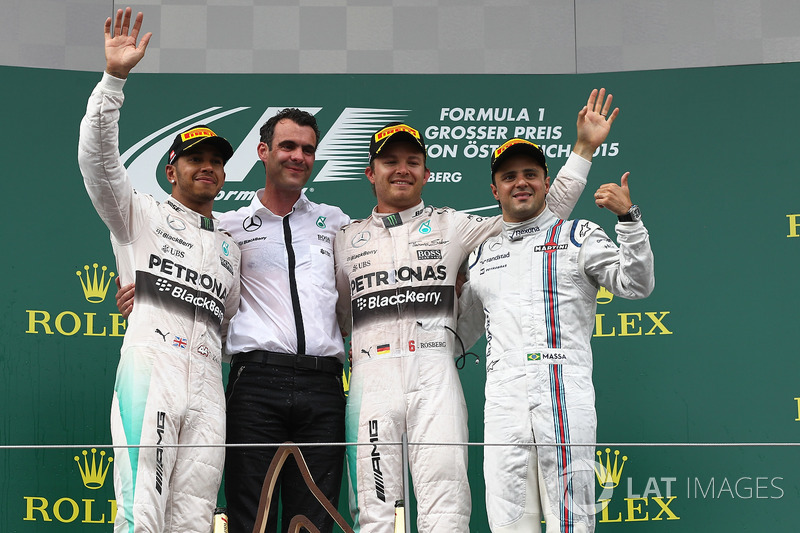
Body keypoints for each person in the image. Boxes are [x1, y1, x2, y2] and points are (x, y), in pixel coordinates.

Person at [333, 89, 618, 533]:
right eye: (390, 162)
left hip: (434, 371)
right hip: (371, 378)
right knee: (374, 511)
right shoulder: (344, 238)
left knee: (445, 510)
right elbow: (333, 313)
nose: (402, 170)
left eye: (412, 161)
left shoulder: (456, 226)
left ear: (428, 173)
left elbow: (539, 212)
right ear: (371, 172)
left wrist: (582, 150)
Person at [116, 109, 350, 532]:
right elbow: (199, 288)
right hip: (255, 384)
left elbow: (366, 285)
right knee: (250, 519)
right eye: (287, 146)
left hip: (325, 385)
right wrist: (149, 291)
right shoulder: (227, 230)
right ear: (263, 152)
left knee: (315, 520)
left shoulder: (337, 224)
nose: (298, 156)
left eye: (307, 149)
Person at [78, 8, 241, 533]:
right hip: (152, 372)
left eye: (216, 160)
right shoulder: (138, 214)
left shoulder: (229, 249)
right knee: (140, 512)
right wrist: (113, 80)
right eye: (195, 158)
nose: (207, 166)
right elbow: (99, 161)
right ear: (171, 169)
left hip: (209, 386)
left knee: (194, 518)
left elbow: (229, 316)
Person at [457, 138, 655, 533]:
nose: (521, 183)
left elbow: (636, 284)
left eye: (530, 174)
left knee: (572, 523)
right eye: (509, 176)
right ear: (495, 190)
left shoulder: (578, 235)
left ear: (547, 183)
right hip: (501, 401)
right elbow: (460, 334)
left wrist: (629, 220)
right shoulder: (479, 256)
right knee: (508, 523)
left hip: (563, 390)